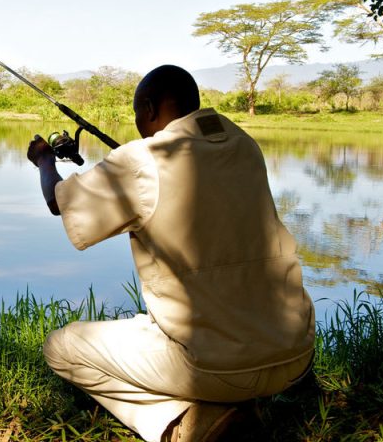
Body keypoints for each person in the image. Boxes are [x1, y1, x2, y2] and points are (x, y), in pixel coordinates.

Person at [26, 65, 314, 442]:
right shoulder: (243, 144)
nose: (137, 125)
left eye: (136, 114)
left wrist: (44, 160)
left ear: (149, 108)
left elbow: (58, 202)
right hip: (296, 355)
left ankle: (186, 424)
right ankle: (238, 400)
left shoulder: (142, 159)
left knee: (61, 347)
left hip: (216, 369)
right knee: (155, 321)